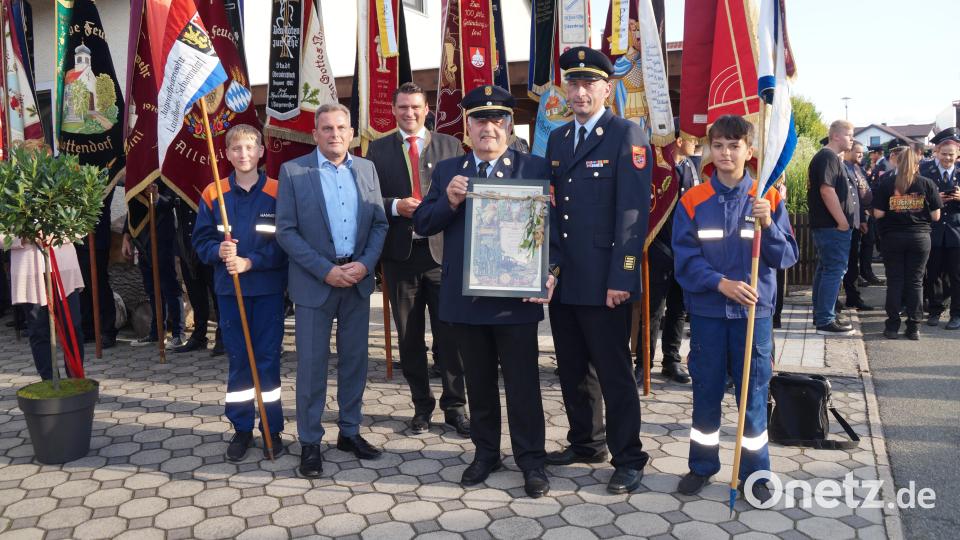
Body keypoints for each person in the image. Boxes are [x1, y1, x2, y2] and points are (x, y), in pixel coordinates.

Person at [413, 85, 552, 499]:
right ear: (467, 126)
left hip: (516, 300)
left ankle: (532, 461)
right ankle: (486, 453)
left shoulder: (534, 168)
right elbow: (423, 223)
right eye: (479, 120)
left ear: (508, 125)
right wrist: (450, 203)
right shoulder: (448, 170)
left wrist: (551, 270)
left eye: (496, 120)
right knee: (479, 383)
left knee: (524, 386)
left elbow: (554, 229)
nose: (487, 128)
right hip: (468, 299)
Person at [671, 115, 799, 502]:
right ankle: (701, 466)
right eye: (719, 145)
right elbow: (684, 259)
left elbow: (788, 255)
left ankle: (755, 473)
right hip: (709, 315)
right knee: (706, 393)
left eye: (734, 145)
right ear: (710, 148)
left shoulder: (767, 199)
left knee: (753, 397)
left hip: (752, 319)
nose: (726, 153)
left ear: (750, 150)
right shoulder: (693, 201)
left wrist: (770, 225)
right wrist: (719, 283)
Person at [544, 46, 651, 494]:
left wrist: (622, 278)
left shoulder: (628, 134)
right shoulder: (556, 138)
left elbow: (632, 214)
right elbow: (550, 212)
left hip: (605, 280)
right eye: (573, 82)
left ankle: (629, 456)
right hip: (564, 278)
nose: (580, 90)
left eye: (589, 83)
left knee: (613, 372)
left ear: (608, 88)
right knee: (571, 368)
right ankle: (587, 442)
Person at [276, 103, 388, 478]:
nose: (335, 134)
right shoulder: (293, 172)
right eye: (327, 128)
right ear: (315, 134)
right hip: (315, 284)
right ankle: (310, 441)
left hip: (357, 281)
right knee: (311, 366)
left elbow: (379, 224)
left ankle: (350, 432)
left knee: (355, 361)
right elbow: (286, 231)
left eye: (341, 128)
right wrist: (326, 270)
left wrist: (365, 264)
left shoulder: (367, 169)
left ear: (352, 133)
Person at [366, 82, 469, 436]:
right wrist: (395, 206)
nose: (409, 113)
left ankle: (455, 407)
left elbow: (463, 199)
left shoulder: (450, 145)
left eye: (416, 107)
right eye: (402, 107)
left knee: (451, 336)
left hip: (442, 257)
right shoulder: (376, 150)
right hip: (400, 257)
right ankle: (421, 406)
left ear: (427, 109)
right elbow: (366, 201)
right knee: (409, 338)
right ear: (393, 111)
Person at [192, 125, 288, 461]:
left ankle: (271, 427)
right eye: (236, 148)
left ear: (262, 151)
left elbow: (286, 244)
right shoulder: (213, 193)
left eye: (250, 147)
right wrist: (217, 251)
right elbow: (199, 241)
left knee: (266, 360)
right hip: (229, 294)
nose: (243, 154)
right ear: (227, 154)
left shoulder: (278, 191)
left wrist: (251, 262)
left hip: (267, 292)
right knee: (240, 362)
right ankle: (242, 428)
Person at [637, 125, 697, 384]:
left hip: (685, 250)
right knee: (652, 311)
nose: (697, 143)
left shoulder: (692, 168)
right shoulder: (660, 167)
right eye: (693, 139)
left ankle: (671, 359)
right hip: (660, 248)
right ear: (680, 140)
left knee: (678, 308)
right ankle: (643, 363)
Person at [873, 146, 942, 340]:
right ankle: (913, 327)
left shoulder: (886, 183)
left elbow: (878, 213)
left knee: (895, 281)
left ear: (896, 162)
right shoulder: (927, 183)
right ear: (917, 164)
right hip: (920, 238)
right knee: (916, 282)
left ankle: (893, 326)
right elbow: (936, 216)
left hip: (893, 238)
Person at [807, 120, 859, 336]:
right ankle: (825, 319)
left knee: (826, 268)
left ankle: (822, 315)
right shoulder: (828, 157)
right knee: (834, 270)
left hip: (828, 226)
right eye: (849, 135)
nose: (852, 139)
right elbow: (827, 191)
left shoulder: (827, 157)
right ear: (836, 136)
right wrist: (842, 221)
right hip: (832, 226)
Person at [123, 182, 187, 348]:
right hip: (141, 238)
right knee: (151, 288)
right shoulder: (138, 172)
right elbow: (132, 207)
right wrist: (126, 236)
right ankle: (156, 332)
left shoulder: (164, 169)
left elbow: (172, 200)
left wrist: (156, 197)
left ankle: (179, 334)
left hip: (162, 235)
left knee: (169, 286)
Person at [921, 127, 960, 329]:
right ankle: (935, 311)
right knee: (934, 273)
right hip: (934, 231)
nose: (947, 158)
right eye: (944, 154)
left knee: (956, 275)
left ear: (958, 154)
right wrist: (936, 200)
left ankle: (956, 314)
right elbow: (917, 200)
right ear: (937, 153)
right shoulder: (926, 171)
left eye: (951, 155)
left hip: (956, 232)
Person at [173, 197, 223, 356]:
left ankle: (223, 336)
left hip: (210, 244)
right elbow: (167, 199)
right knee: (195, 293)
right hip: (186, 244)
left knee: (218, 294)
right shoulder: (177, 179)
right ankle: (199, 335)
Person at [74, 187, 118, 349]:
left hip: (96, 236)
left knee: (98, 283)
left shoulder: (104, 164)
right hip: (73, 237)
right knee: (80, 284)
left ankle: (107, 329)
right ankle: (87, 327)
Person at [842, 142, 874, 311]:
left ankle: (853, 297)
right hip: (847, 222)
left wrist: (862, 218)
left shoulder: (857, 169)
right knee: (847, 263)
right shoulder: (844, 168)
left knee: (853, 262)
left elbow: (860, 198)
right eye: (858, 152)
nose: (861, 155)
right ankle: (849, 297)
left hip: (857, 221)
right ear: (848, 152)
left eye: (863, 153)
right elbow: (851, 199)